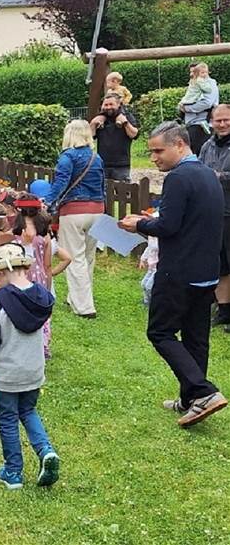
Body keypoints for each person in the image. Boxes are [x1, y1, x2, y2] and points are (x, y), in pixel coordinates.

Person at [120, 121, 227, 427]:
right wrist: (154, 219)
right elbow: (189, 220)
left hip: (179, 272)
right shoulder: (208, 174)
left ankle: (203, 392)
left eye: (158, 150)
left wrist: (138, 225)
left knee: (160, 332)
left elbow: (168, 227)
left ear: (180, 144)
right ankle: (191, 399)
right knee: (196, 339)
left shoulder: (179, 178)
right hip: (206, 271)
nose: (153, 158)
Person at [0, 242, 59, 490]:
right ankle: (45, 450)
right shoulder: (42, 298)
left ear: (3, 272)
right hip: (34, 370)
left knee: (9, 418)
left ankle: (13, 471)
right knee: (29, 411)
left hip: (8, 371)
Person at [45, 120, 105, 319]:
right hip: (97, 209)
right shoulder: (97, 157)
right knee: (88, 257)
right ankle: (75, 297)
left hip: (74, 210)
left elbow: (61, 182)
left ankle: (84, 307)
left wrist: (47, 202)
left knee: (74, 257)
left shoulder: (68, 156)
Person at [12, 195, 72, 360]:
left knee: (22, 309)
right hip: (40, 277)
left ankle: (22, 344)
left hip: (21, 275)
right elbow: (47, 265)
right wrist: (47, 284)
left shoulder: (16, 232)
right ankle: (43, 345)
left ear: (19, 210)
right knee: (41, 311)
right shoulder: (44, 234)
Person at [197, 103, 230, 330]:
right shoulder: (207, 146)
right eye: (218, 120)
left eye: (227, 119)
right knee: (221, 264)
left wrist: (219, 176)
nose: (222, 124)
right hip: (214, 213)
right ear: (211, 122)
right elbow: (199, 171)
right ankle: (224, 310)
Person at [90, 92, 139, 182]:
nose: (108, 107)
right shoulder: (99, 118)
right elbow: (90, 138)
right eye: (106, 105)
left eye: (111, 104)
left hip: (121, 165)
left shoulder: (127, 116)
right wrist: (93, 124)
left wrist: (125, 123)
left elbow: (134, 135)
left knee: (123, 193)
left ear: (118, 105)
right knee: (103, 193)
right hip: (102, 164)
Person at [179, 62, 219, 155]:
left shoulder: (209, 83)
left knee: (200, 153)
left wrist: (187, 108)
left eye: (194, 72)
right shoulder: (194, 83)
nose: (191, 74)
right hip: (191, 123)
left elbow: (207, 103)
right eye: (191, 72)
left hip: (201, 124)